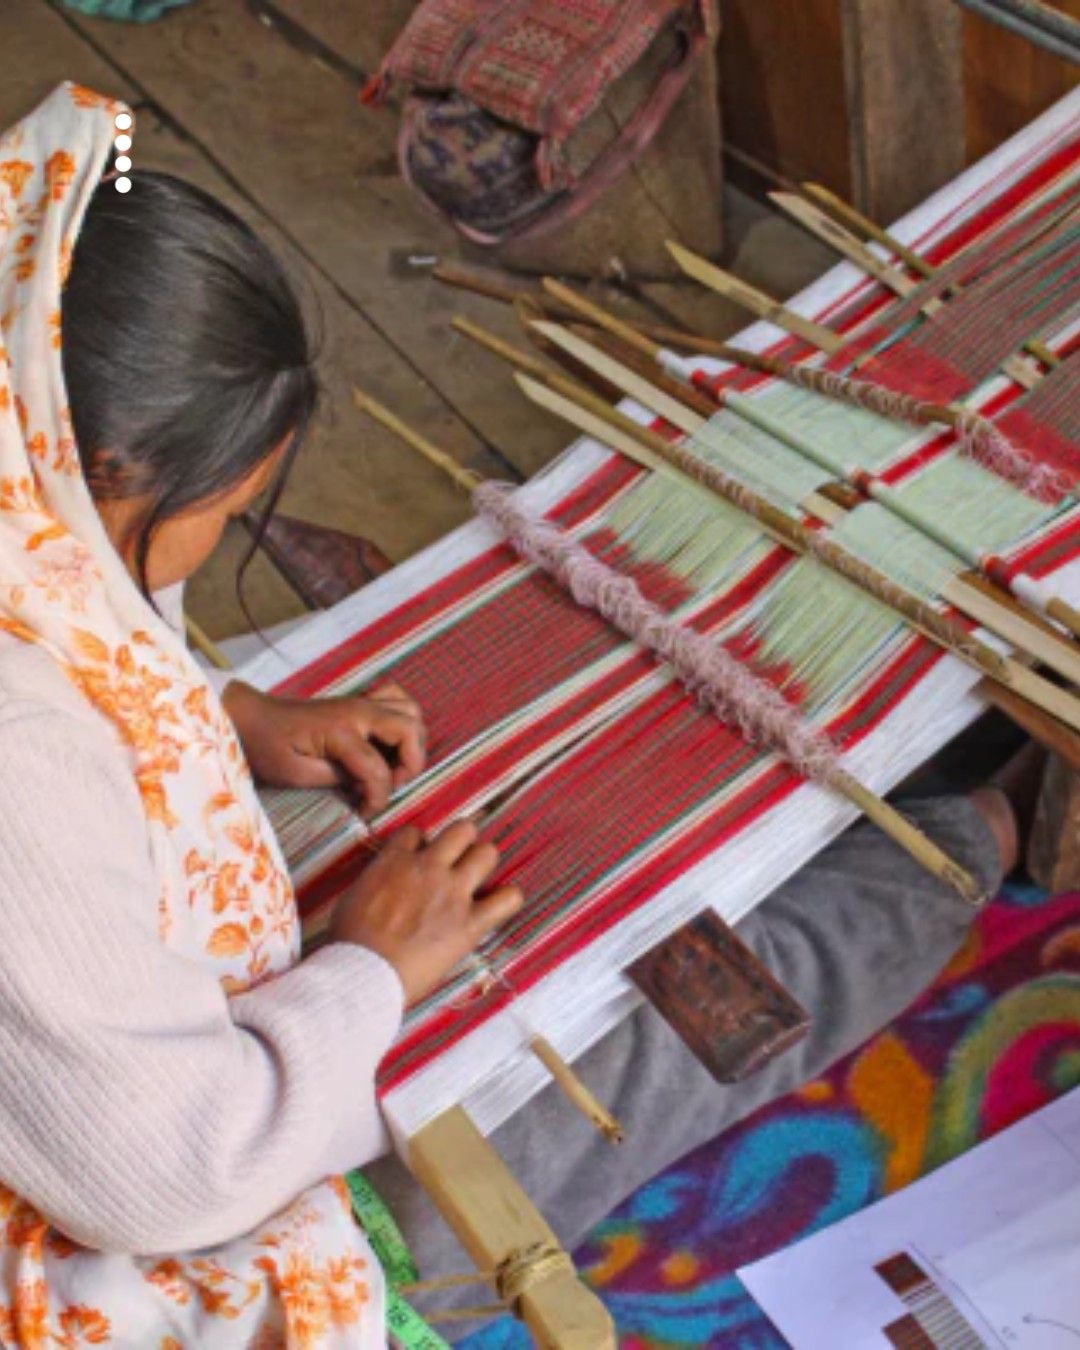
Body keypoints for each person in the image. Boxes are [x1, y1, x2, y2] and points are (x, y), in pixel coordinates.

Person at [0, 83, 1020, 1346]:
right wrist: (371, 971)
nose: (219, 537)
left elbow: (88, 662)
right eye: (223, 507)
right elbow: (164, 1176)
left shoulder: (28, 514)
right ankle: (969, 848)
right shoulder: (23, 764)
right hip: (111, 1243)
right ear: (95, 467)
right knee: (618, 1061)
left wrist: (229, 710)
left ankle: (949, 815)